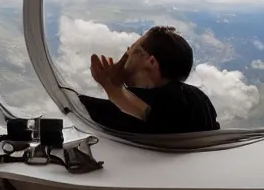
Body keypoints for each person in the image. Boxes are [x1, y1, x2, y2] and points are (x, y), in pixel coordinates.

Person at [78, 26, 220, 134]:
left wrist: (111, 86)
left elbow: (77, 107)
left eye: (132, 48)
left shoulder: (170, 104)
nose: (127, 53)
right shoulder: (199, 100)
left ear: (151, 62)